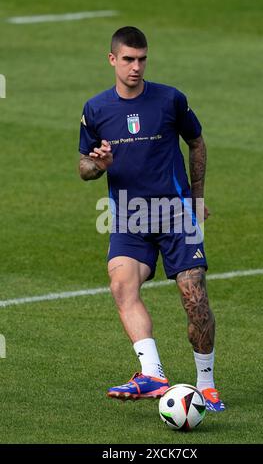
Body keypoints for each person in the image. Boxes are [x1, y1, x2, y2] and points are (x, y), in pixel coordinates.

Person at [78, 26, 224, 412]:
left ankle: (206, 385)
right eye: (128, 59)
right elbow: (83, 166)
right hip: (129, 216)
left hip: (175, 213)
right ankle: (153, 374)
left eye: (142, 59)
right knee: (121, 285)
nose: (136, 67)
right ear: (112, 59)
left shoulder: (170, 99)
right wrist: (98, 163)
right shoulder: (96, 109)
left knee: (195, 300)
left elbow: (196, 141)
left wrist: (197, 196)